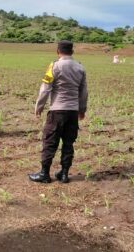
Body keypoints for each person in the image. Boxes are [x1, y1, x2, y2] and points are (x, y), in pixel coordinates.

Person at [29, 40, 88, 183]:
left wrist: (39, 106)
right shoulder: (80, 68)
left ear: (58, 51)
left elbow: (45, 89)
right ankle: (64, 173)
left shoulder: (54, 66)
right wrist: (82, 110)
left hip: (57, 111)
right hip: (73, 112)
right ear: (72, 52)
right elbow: (84, 92)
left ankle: (44, 174)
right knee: (68, 143)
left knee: (50, 142)